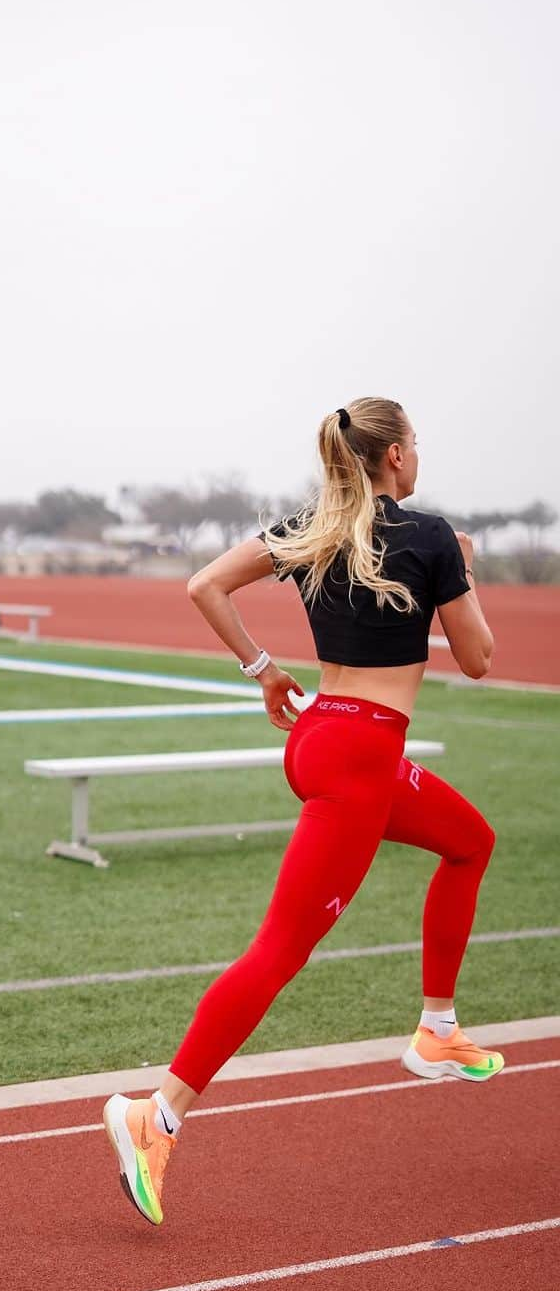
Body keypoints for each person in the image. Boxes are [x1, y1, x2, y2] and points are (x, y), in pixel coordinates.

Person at [103, 397, 500, 1227]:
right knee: (280, 951)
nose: (418, 456)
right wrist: (461, 569)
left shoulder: (307, 527)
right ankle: (158, 1114)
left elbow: (204, 584)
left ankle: (437, 1026)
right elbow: (479, 659)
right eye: (415, 444)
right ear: (392, 457)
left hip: (324, 737)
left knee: (469, 841)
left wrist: (262, 669)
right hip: (359, 761)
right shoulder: (429, 537)